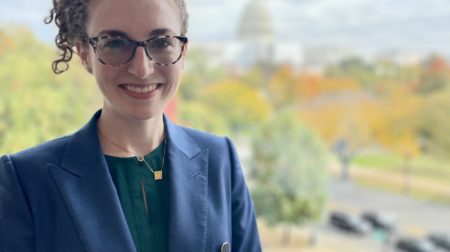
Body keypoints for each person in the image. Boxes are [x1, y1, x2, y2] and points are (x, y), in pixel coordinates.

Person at [0, 0, 262, 251]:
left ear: (183, 51)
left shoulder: (221, 159)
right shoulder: (25, 180)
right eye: (115, 43)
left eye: (161, 42)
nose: (142, 69)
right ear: (84, 53)